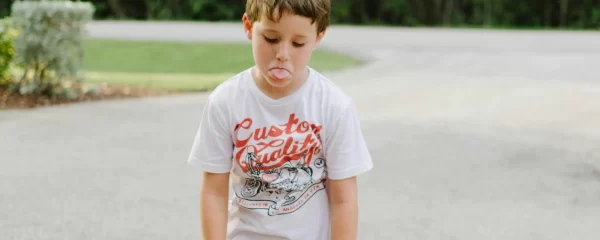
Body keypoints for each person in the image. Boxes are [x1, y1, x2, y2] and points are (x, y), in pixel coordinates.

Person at [187, 0, 373, 239]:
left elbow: (344, 201)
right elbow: (214, 191)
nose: (283, 54)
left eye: (298, 43)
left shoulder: (334, 106)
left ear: (318, 37)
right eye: (271, 39)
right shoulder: (225, 101)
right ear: (248, 26)